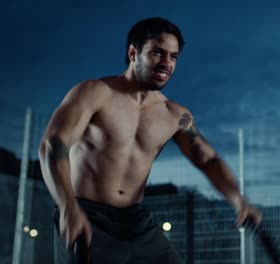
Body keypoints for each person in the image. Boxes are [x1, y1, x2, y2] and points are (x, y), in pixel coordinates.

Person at [38, 17, 262, 263]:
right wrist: (68, 207)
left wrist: (239, 200)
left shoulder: (174, 115)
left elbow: (208, 160)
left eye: (173, 56)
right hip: (85, 215)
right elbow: (53, 145)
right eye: (158, 52)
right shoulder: (94, 92)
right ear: (133, 53)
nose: (167, 63)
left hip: (136, 224)